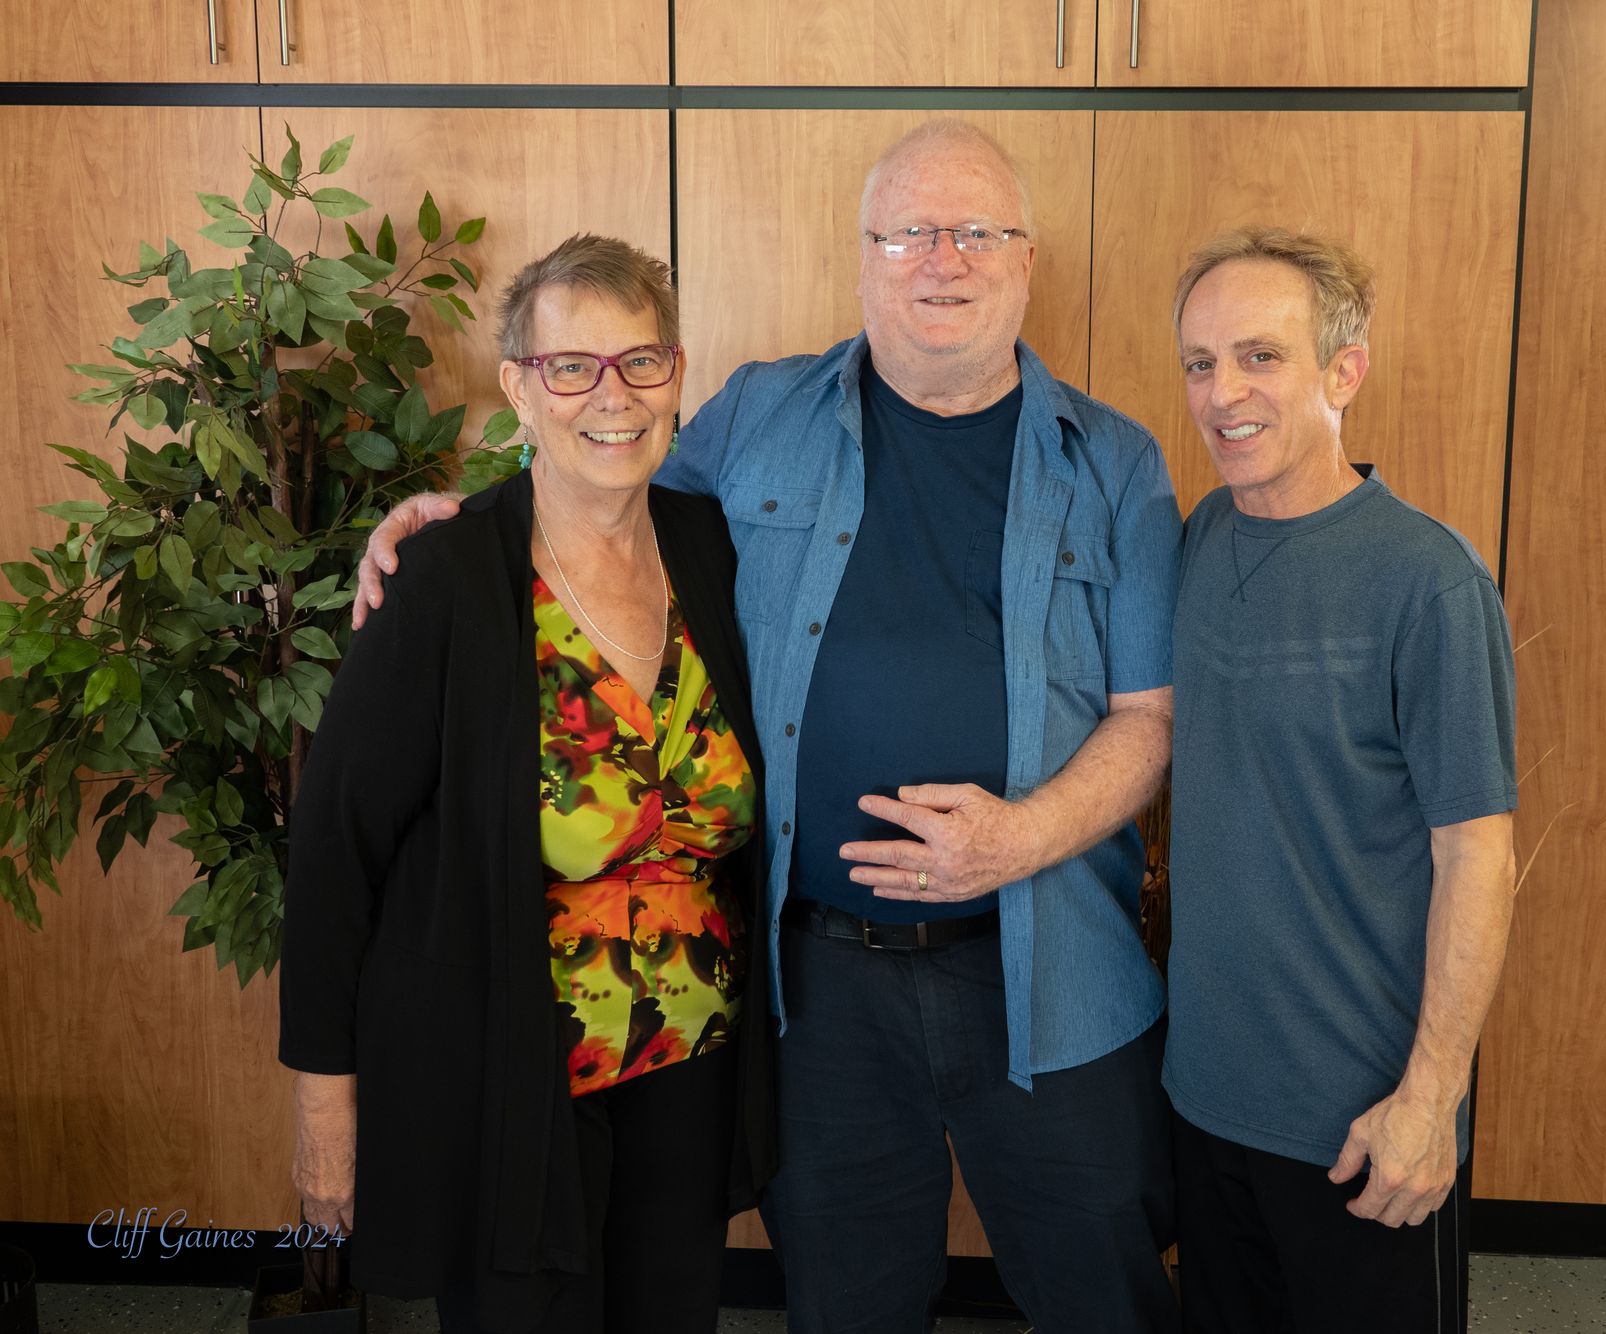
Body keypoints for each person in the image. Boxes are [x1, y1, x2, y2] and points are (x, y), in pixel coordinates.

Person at [354, 120, 1184, 1332]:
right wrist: (465, 520)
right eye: (907, 231)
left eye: (974, 232)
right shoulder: (756, 417)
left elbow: (1148, 719)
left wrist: (1019, 836)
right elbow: (601, 501)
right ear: (864, 257)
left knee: (1107, 1290)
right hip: (823, 981)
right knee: (847, 1302)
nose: (938, 259)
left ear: (1025, 257)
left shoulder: (1115, 463)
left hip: (1053, 963)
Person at [280, 234, 775, 1334]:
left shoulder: (715, 549)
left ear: (678, 372)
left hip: (688, 1076)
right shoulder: (448, 578)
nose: (613, 395)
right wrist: (324, 1096)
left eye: (640, 362)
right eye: (571, 366)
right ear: (519, 385)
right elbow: (333, 844)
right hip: (511, 1086)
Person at [1161, 225, 1519, 1334]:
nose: (1225, 393)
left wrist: (1430, 1098)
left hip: (1359, 1126)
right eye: (1202, 363)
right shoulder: (1200, 535)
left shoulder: (1429, 582)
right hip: (1205, 1096)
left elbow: (1478, 852)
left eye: (1260, 357)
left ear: (1343, 371)